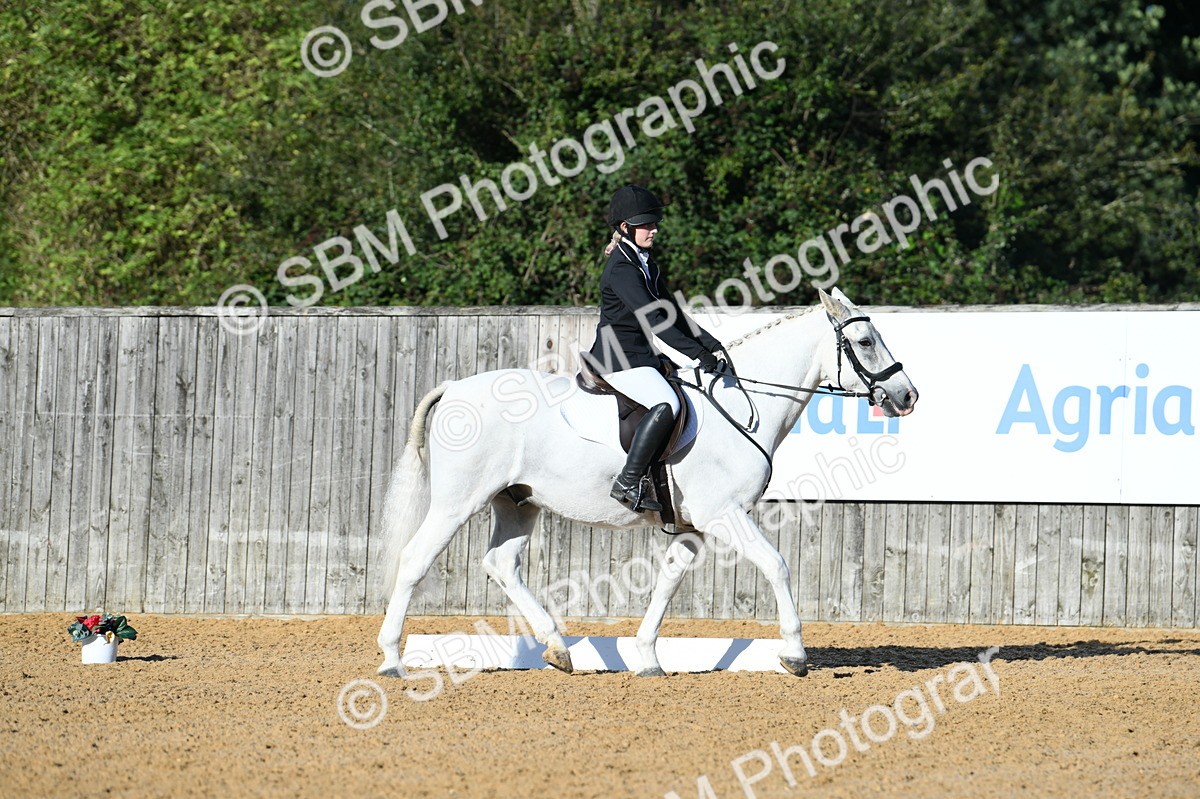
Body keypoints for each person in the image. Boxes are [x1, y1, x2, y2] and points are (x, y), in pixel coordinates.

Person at [583, 184, 729, 513]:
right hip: (616, 359)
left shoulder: (644, 261)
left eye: (654, 223)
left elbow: (672, 310)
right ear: (625, 228)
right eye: (646, 224)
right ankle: (628, 481)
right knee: (666, 403)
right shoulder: (621, 269)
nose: (654, 229)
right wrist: (699, 355)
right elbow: (655, 320)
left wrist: (711, 344)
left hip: (639, 356)